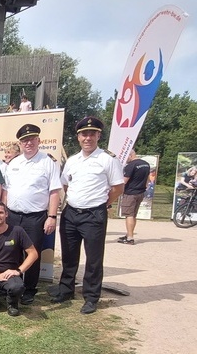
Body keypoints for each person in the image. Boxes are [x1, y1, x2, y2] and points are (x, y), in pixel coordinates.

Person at [51, 116, 124, 315]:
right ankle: (66, 290)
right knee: (69, 255)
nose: (88, 138)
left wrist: (103, 203)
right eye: (84, 134)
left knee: (93, 259)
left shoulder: (108, 159)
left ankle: (91, 297)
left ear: (99, 136)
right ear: (78, 137)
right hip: (71, 213)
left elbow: (118, 187)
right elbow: (64, 184)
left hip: (94, 215)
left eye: (92, 134)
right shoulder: (73, 160)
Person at [3, 124, 61, 305]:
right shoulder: (14, 163)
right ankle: (13, 286)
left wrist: (51, 217)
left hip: (35, 217)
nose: (28, 143)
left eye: (32, 139)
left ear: (39, 140)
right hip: (12, 215)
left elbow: (54, 191)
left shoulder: (48, 162)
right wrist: (4, 213)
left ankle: (29, 289)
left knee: (33, 253)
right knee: (12, 251)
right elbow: (6, 190)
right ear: (20, 143)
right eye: (24, 140)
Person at [118, 149, 150, 245]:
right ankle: (129, 234)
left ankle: (130, 238)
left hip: (130, 193)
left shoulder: (130, 166)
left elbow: (124, 181)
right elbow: (148, 180)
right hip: (140, 192)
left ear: (130, 155)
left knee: (129, 215)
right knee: (133, 215)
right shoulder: (146, 164)